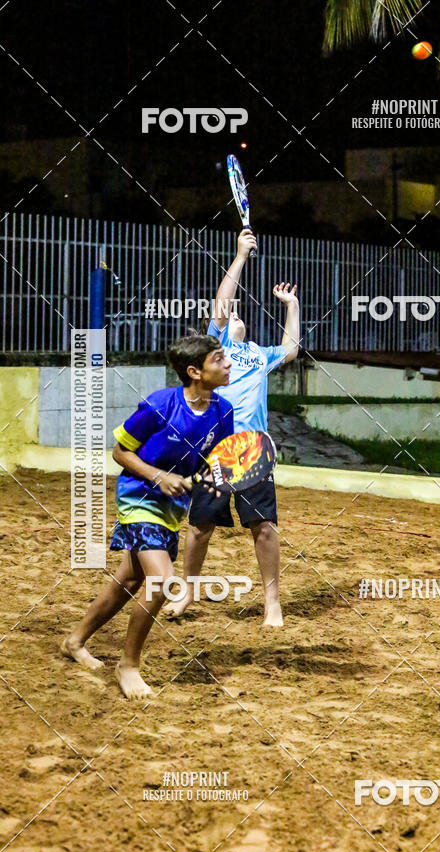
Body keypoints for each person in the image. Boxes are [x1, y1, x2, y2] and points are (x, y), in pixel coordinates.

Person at [61, 334, 233, 699]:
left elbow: (218, 461)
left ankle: (74, 641)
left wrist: (209, 479)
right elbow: (121, 452)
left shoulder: (224, 411)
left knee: (129, 580)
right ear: (194, 372)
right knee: (162, 583)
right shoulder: (160, 405)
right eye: (218, 359)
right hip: (139, 498)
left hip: (172, 509)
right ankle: (129, 666)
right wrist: (158, 475)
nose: (228, 364)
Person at [165, 229, 299, 627]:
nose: (234, 316)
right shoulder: (218, 347)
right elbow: (223, 304)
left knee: (263, 526)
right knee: (201, 527)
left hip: (253, 449)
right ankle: (188, 593)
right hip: (216, 449)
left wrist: (291, 305)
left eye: (241, 315)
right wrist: (240, 255)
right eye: (230, 317)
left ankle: (272, 603)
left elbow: (291, 348)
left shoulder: (259, 354)